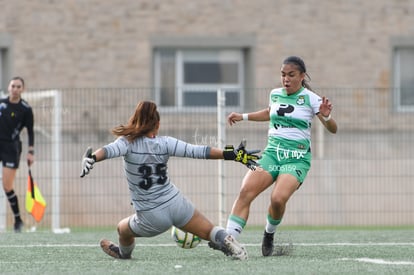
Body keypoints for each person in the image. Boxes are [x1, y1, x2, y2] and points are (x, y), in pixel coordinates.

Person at [80, 100, 260, 260]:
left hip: (151, 216)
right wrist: (231, 154)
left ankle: (123, 254)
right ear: (157, 125)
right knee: (210, 231)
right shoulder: (166, 142)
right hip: (176, 203)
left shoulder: (126, 142)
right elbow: (199, 151)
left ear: (134, 121)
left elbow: (108, 150)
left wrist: (92, 158)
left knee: (122, 229)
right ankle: (227, 240)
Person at [211, 56, 338, 256]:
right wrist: (242, 116)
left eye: (291, 75)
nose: (285, 79)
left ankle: (269, 233)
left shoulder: (312, 99)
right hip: (272, 154)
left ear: (302, 76)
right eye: (283, 75)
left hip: (296, 158)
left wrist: (327, 116)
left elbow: (333, 129)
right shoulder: (275, 94)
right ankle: (229, 240)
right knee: (246, 191)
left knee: (278, 199)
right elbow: (270, 112)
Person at [0, 76, 34, 233]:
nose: (15, 89)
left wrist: (31, 152)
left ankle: (18, 220)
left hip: (11, 148)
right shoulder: (2, 104)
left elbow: (30, 131)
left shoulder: (25, 109)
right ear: (8, 87)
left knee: (7, 186)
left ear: (23, 89)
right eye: (13, 86)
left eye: (18, 86)